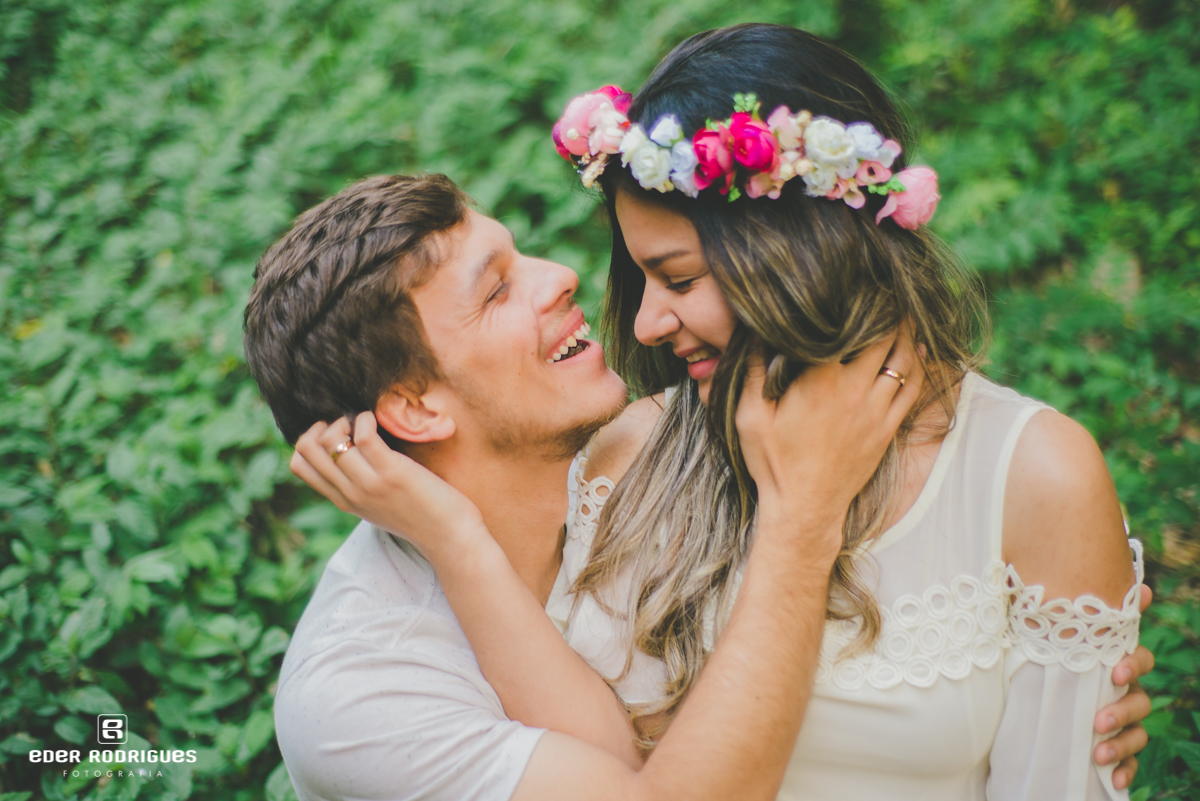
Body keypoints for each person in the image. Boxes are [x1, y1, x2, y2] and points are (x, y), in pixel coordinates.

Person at [287, 24, 1157, 801]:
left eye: (679, 279)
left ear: (798, 250)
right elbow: (628, 773)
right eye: (647, 278)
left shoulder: (1034, 474)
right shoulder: (635, 457)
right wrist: (457, 536)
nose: (640, 324)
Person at [245, 172, 929, 801]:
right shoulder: (357, 696)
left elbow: (625, 761)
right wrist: (802, 520)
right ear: (417, 408)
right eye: (497, 291)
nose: (561, 276)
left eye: (522, 258)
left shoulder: (643, 453)